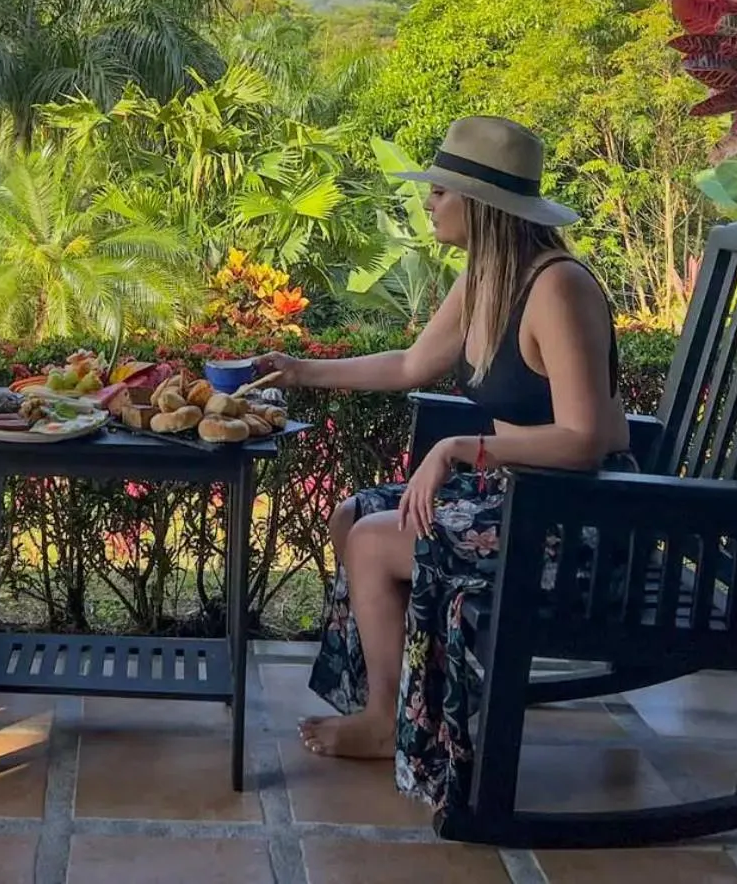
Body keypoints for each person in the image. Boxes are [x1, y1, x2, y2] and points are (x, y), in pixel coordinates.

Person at [254, 115, 631, 823]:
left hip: (576, 517)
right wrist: (298, 370)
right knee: (352, 516)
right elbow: (409, 365)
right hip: (512, 498)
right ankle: (404, 704)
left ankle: (383, 720)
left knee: (374, 540)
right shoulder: (488, 274)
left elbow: (583, 440)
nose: (427, 202)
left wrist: (463, 448)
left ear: (482, 206)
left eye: (440, 192)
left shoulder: (556, 287)